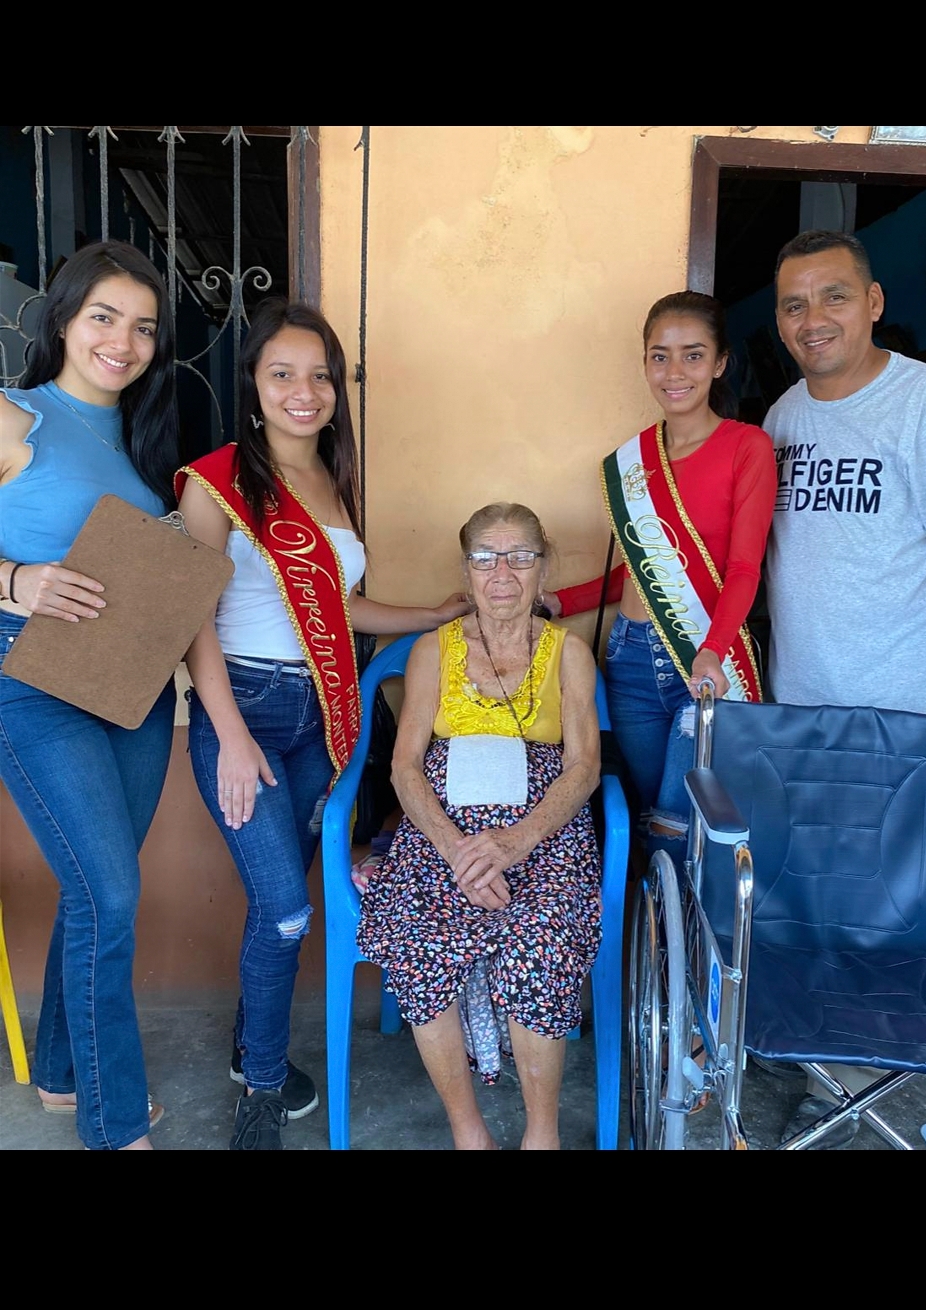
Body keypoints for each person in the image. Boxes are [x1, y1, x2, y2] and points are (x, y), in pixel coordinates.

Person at [177, 300, 466, 1152]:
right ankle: (262, 1092)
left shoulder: (334, 482)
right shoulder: (216, 483)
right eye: (282, 374)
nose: (303, 392)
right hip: (244, 713)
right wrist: (230, 735)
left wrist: (432, 614)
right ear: (253, 384)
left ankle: (249, 1048)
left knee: (279, 901)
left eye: (320, 376)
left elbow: (338, 608)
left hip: (321, 718)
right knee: (285, 911)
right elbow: (191, 619)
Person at [765, 228, 926, 1145]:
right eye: (794, 304)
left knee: (894, 905)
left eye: (834, 296)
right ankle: (824, 1062)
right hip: (801, 709)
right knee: (812, 893)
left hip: (909, 710)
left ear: (873, 303)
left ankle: (876, 1065)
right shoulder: (783, 417)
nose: (813, 319)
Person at [0, 241, 180, 1153]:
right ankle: (115, 1126)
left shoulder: (142, 446)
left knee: (92, 890)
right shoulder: (13, 415)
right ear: (64, 318)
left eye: (144, 327)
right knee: (109, 893)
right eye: (105, 317)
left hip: (132, 686)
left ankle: (65, 1076)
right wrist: (14, 579)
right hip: (32, 679)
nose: (124, 341)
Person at [361, 505, 602, 1151]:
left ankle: (542, 1136)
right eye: (485, 558)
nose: (502, 574)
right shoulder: (433, 652)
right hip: (442, 832)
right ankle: (470, 1135)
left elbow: (583, 768)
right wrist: (458, 852)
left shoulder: (570, 654)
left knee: (539, 940)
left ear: (543, 569)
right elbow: (405, 766)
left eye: (520, 557)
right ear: (466, 572)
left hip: (544, 833)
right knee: (419, 938)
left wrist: (514, 842)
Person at [545, 292, 777, 857]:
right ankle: (655, 917)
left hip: (703, 657)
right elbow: (639, 571)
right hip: (629, 658)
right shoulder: (632, 461)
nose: (675, 372)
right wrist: (560, 601)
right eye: (660, 356)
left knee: (675, 824)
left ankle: (681, 919)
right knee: (649, 816)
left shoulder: (747, 446)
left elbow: (744, 567)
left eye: (693, 355)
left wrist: (712, 650)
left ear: (720, 362)